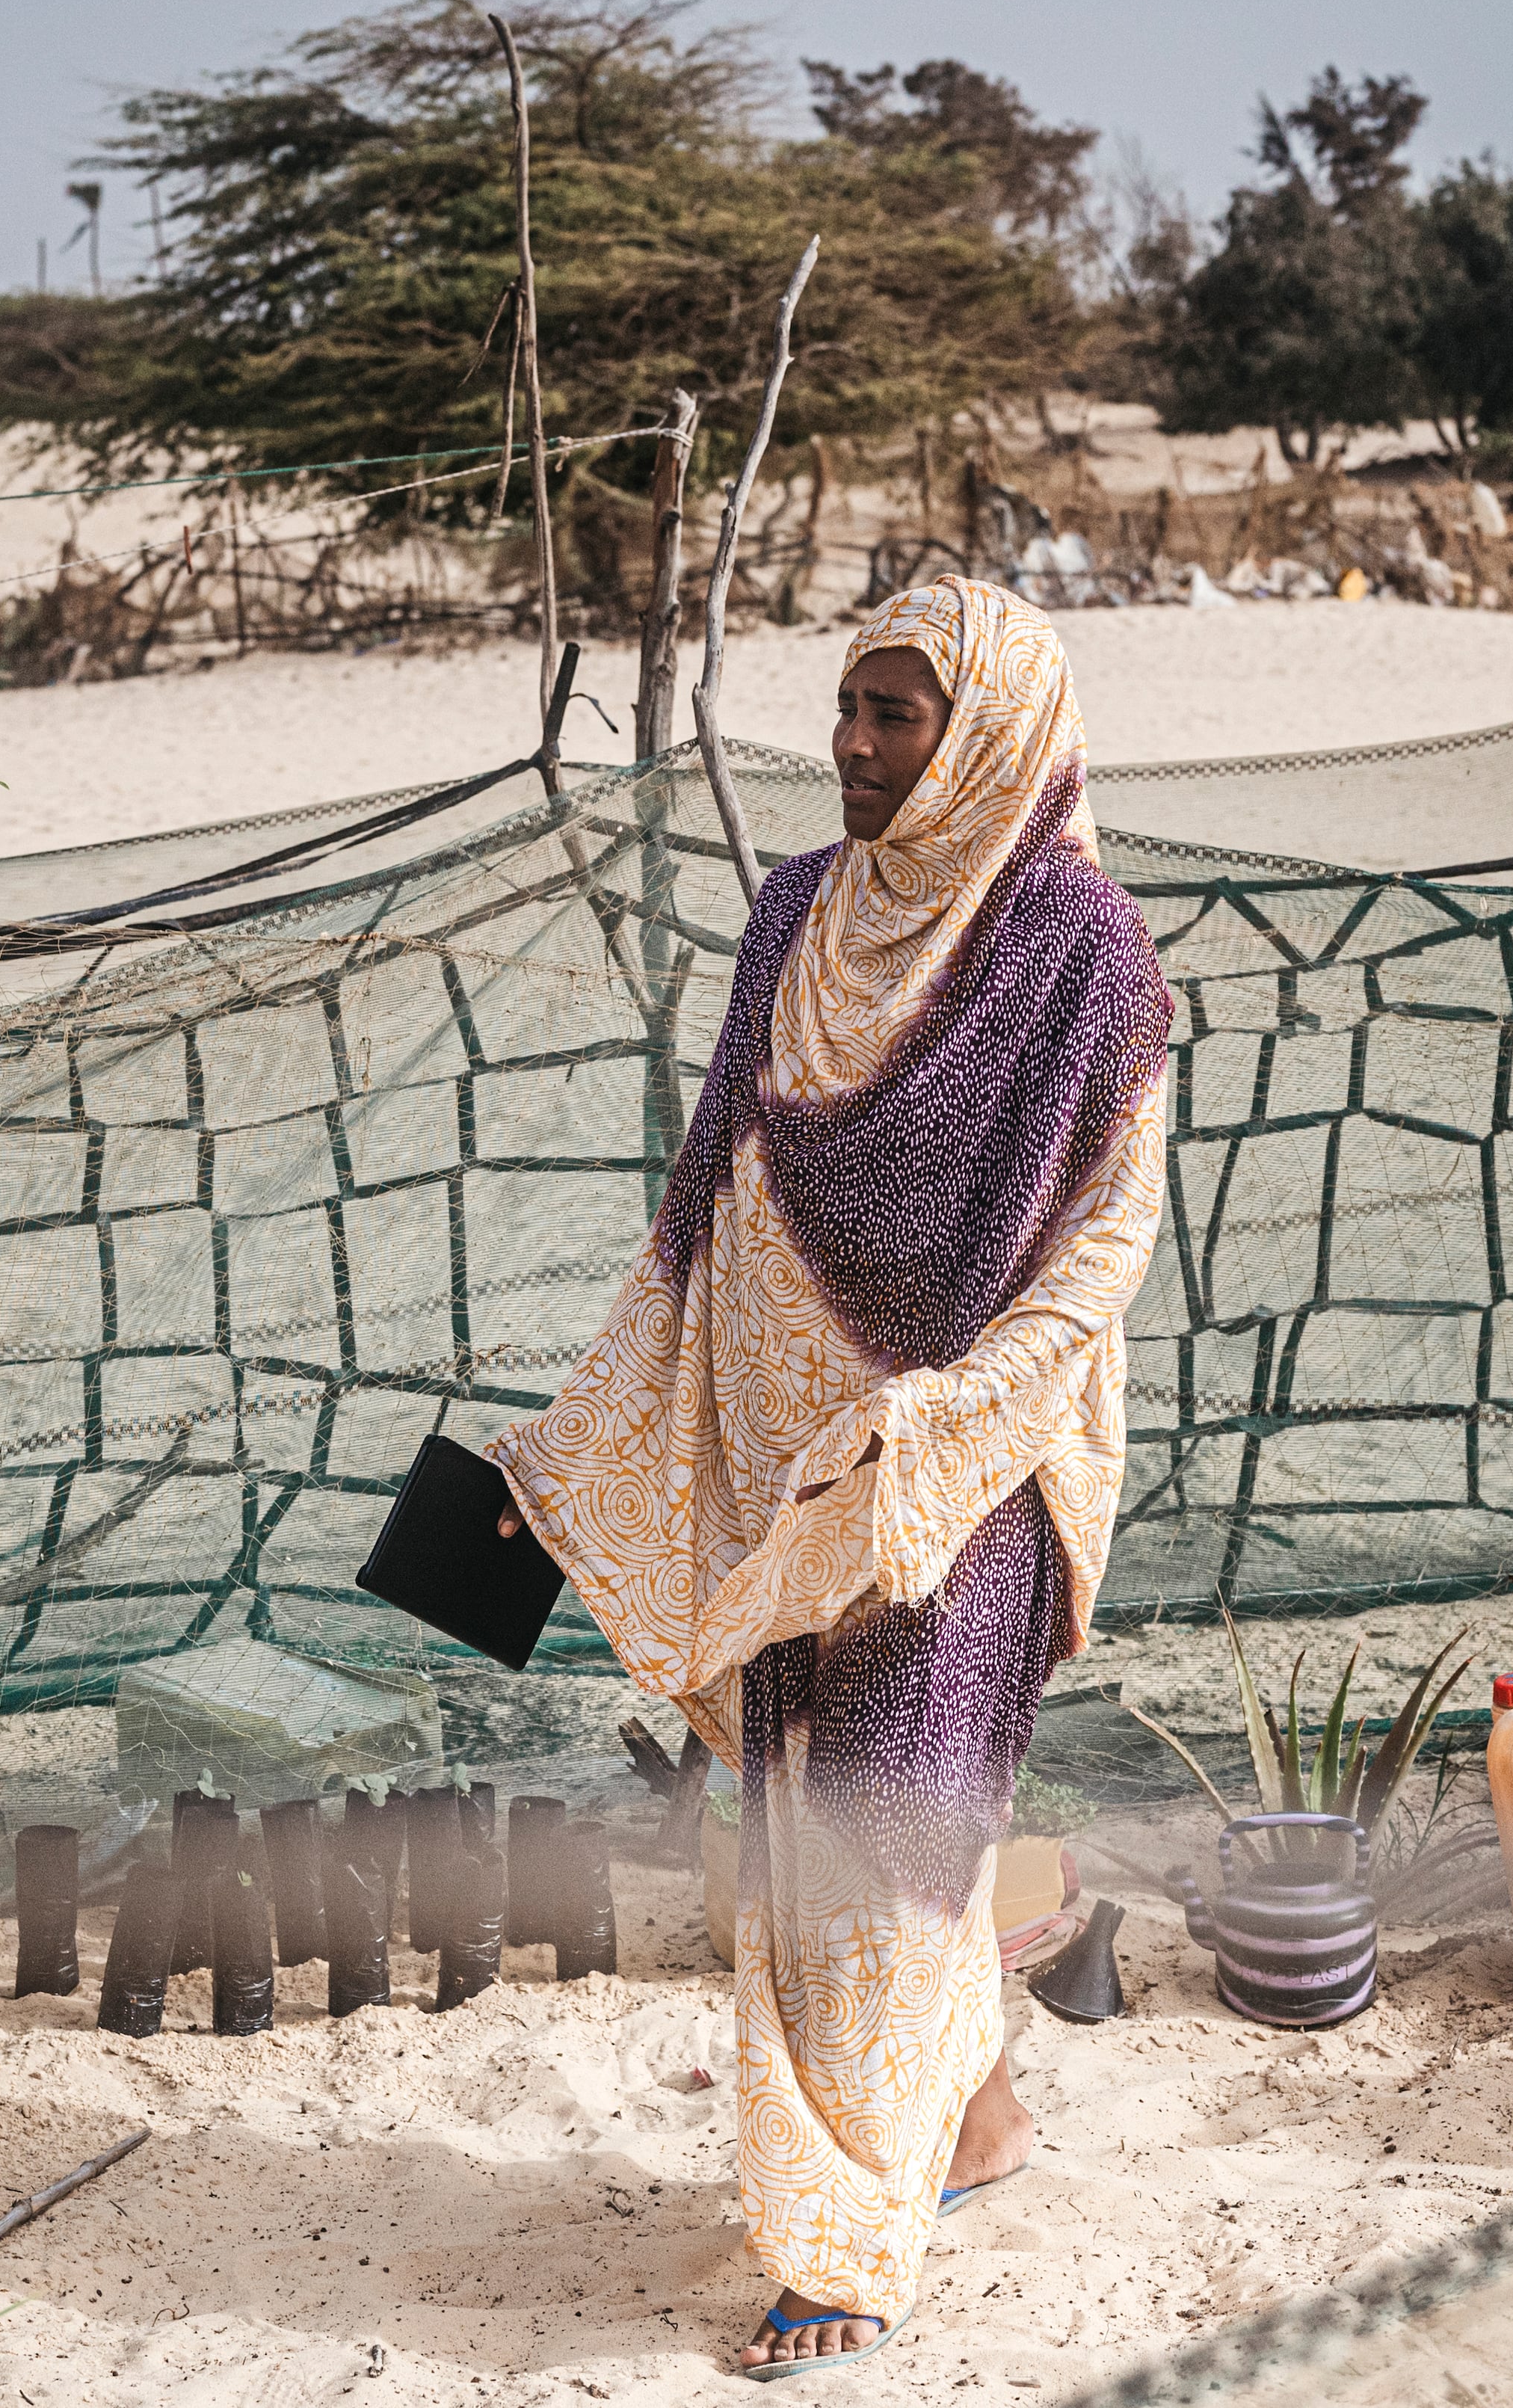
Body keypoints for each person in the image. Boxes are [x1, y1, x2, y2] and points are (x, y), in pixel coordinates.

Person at [487, 576, 1171, 2375]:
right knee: (826, 1824)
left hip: (957, 1475)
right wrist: (598, 1432)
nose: (856, 748)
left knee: (875, 1843)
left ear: (993, 729)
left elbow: (1105, 1248)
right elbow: (712, 1190)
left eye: (899, 714)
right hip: (797, 1474)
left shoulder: (1083, 950)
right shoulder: (796, 909)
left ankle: (841, 2246)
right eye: (846, 707)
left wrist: (944, 1418)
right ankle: (983, 2121)